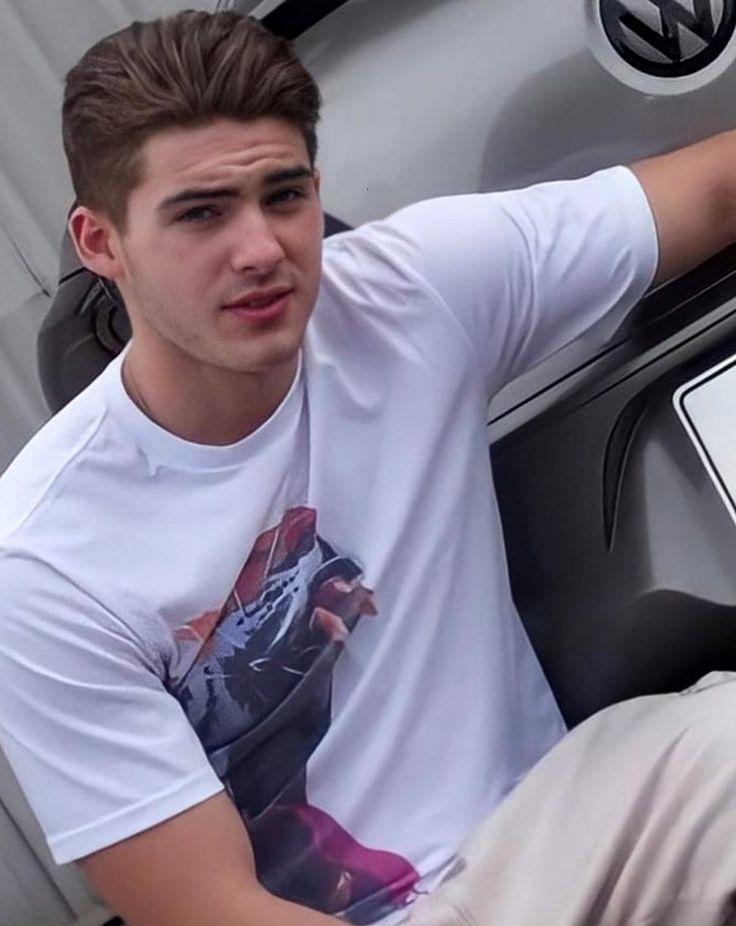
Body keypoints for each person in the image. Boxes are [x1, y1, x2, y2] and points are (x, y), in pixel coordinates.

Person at [1, 9, 736, 926]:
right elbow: (209, 910)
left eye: (283, 195)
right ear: (100, 242)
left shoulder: (405, 295)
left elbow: (708, 194)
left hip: (561, 837)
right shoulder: (44, 564)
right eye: (200, 213)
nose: (261, 248)